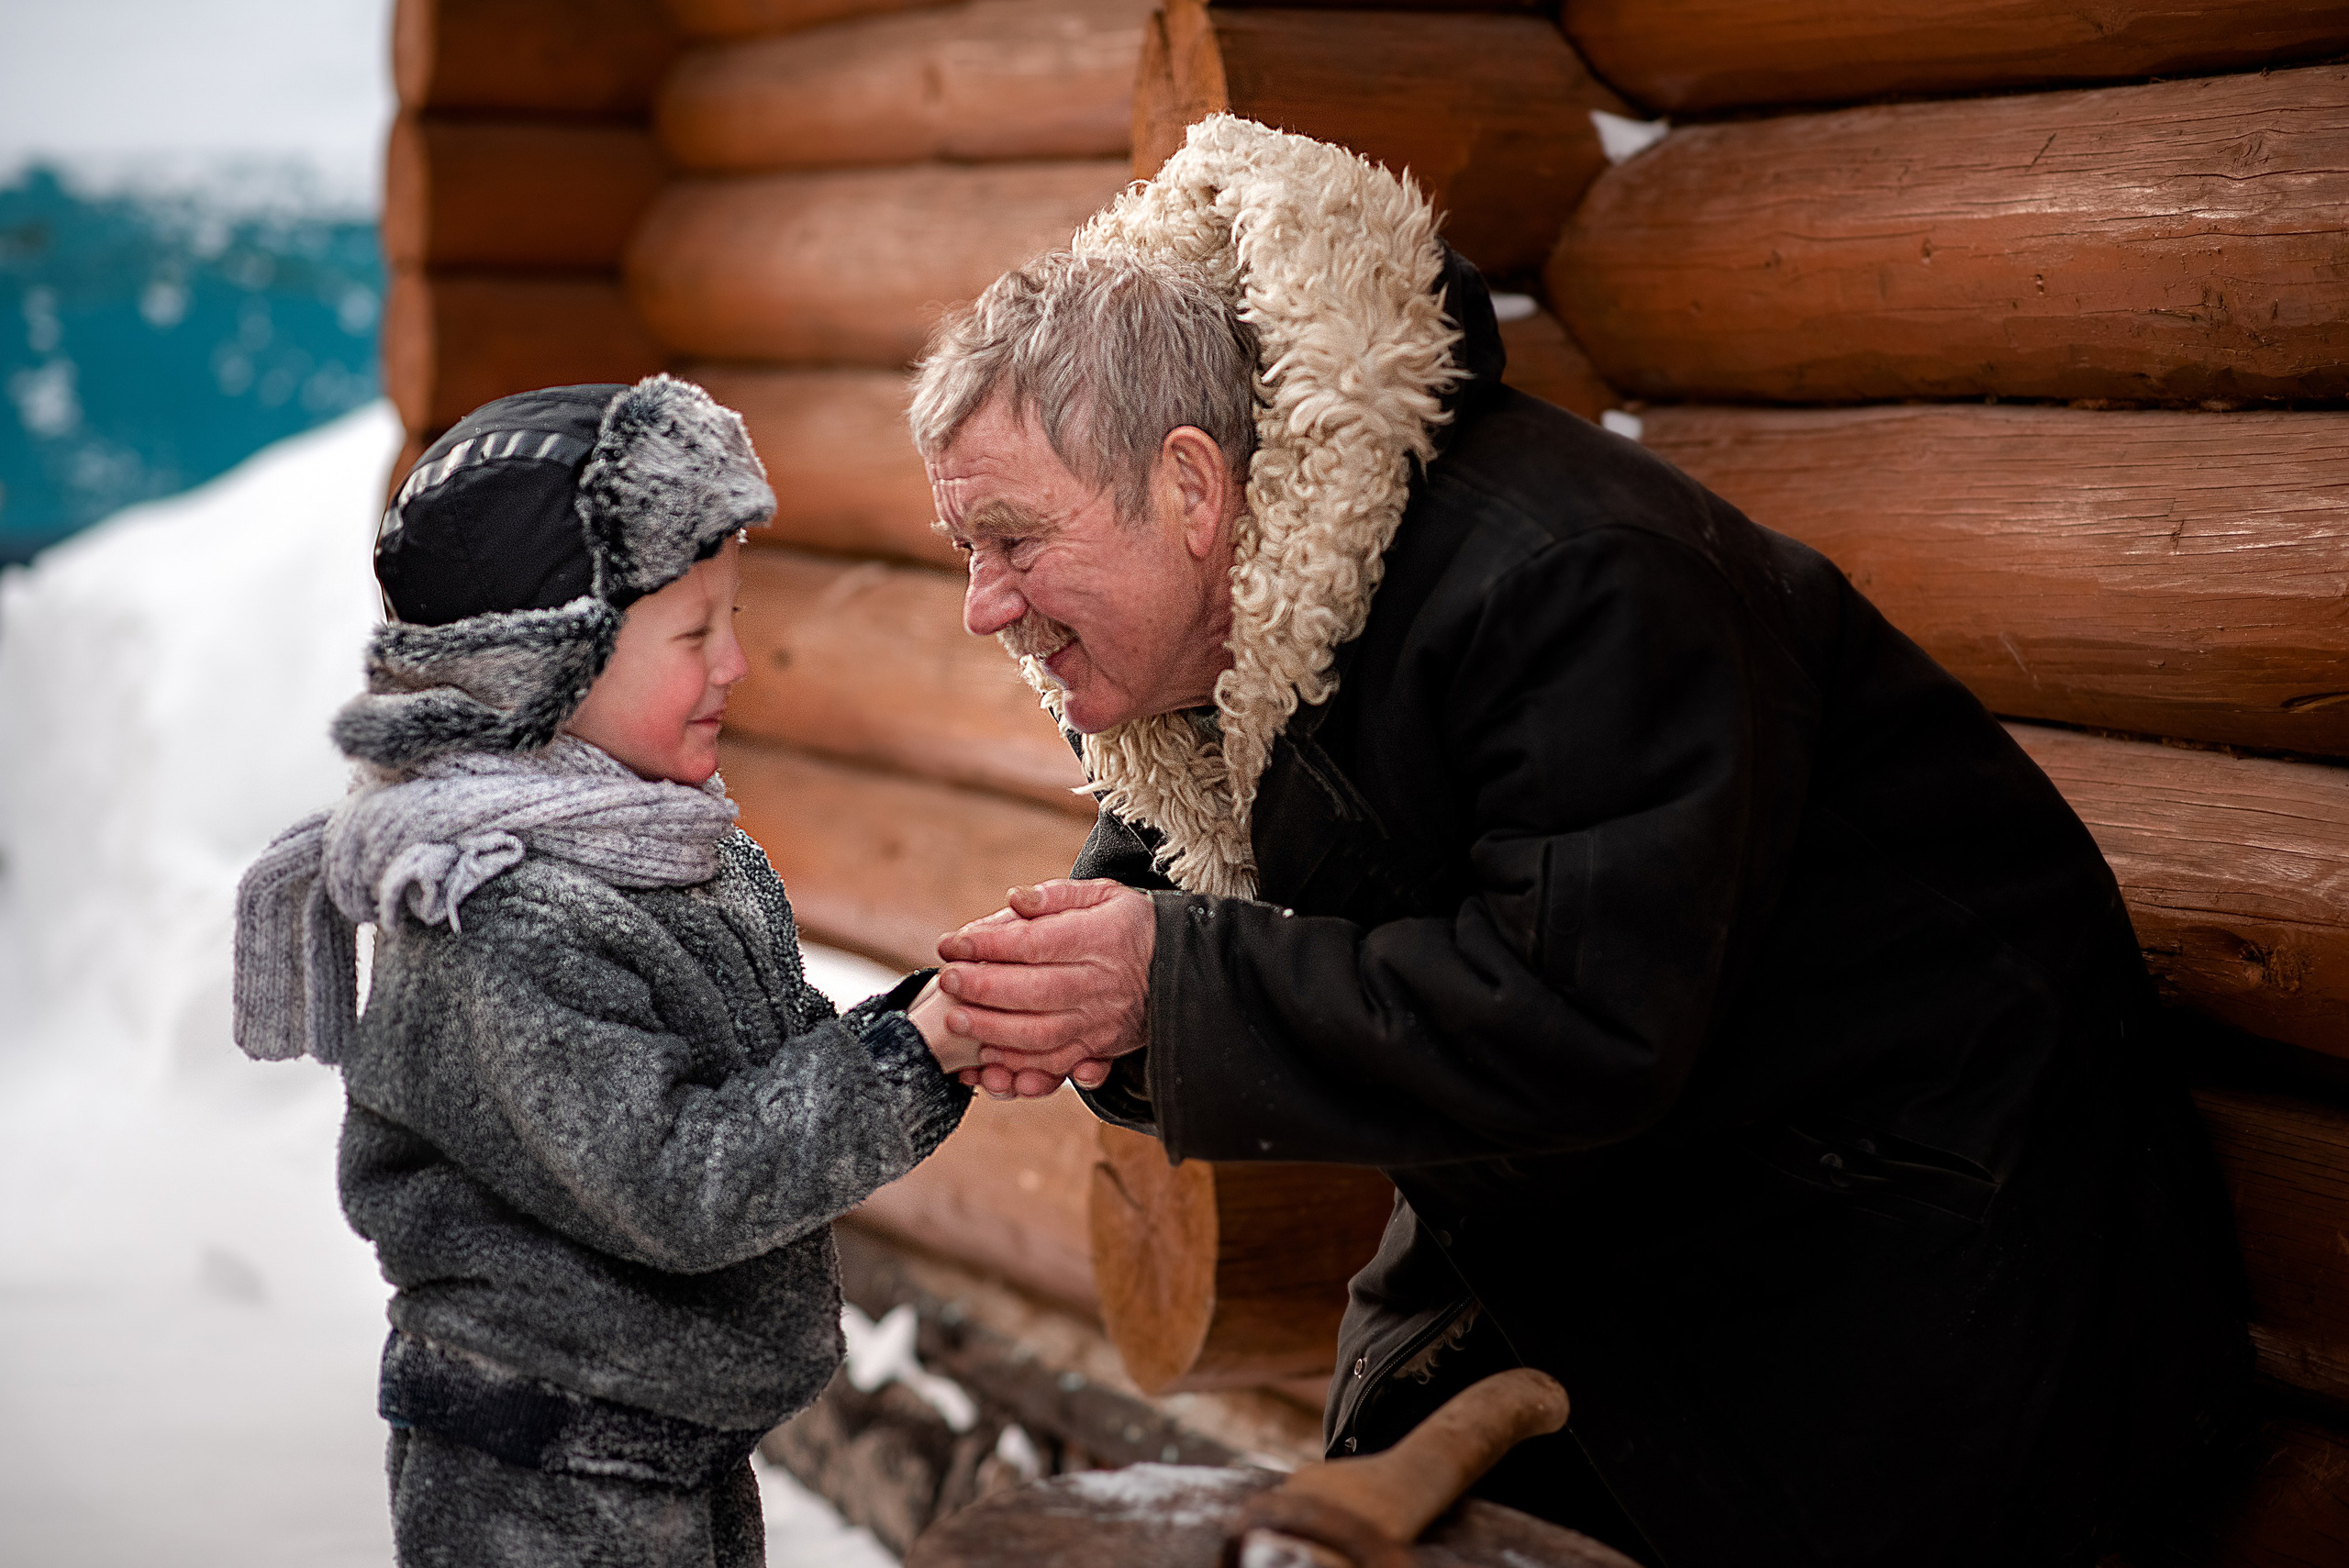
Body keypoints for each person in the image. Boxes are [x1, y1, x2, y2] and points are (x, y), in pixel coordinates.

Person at [915, 117, 2250, 1565]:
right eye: (962, 551)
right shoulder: (1232, 651)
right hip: (1672, 1253)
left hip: (1936, 1290)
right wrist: (1076, 994)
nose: (985, 605)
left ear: (1191, 486)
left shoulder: (1570, 586)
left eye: (1014, 539)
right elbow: (1174, 902)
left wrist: (1159, 986)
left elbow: (1577, 1014)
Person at [230, 375, 974, 1568]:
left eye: (734, 616)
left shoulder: (673, 851)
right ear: (543, 670)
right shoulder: (499, 908)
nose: (737, 661)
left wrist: (932, 1027)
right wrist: (909, 1056)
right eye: (694, 632)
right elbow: (681, 1179)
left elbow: (771, 1071)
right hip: (539, 1472)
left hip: (667, 1438)